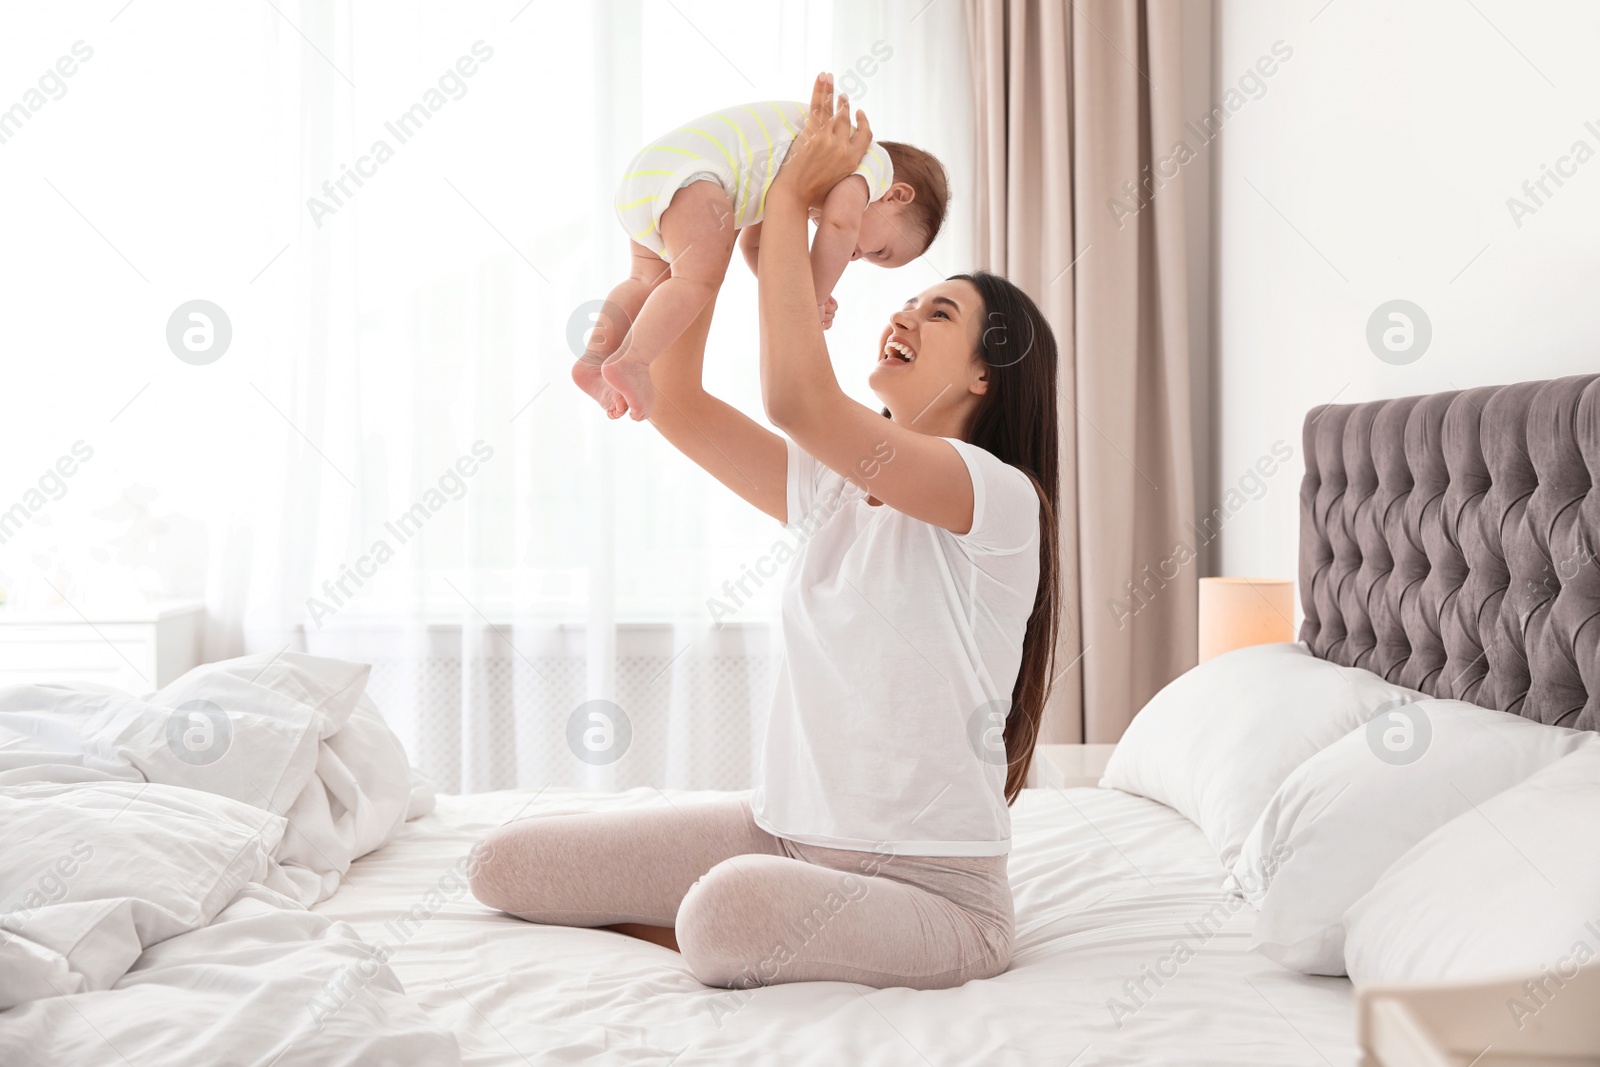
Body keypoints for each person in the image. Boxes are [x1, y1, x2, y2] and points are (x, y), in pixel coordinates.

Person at [474, 74, 1061, 992]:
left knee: (725, 912)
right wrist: (692, 256)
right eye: (911, 297)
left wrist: (788, 197)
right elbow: (678, 405)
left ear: (988, 378)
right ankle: (753, 911)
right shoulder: (834, 487)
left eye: (940, 312)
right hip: (782, 831)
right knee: (504, 866)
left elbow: (797, 397)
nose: (903, 309)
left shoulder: (993, 493)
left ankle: (740, 919)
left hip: (937, 893)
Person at [571, 97, 950, 421]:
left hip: (650, 176)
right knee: (696, 280)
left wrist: (802, 287)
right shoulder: (870, 165)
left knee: (644, 281)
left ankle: (594, 360)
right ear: (897, 196)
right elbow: (838, 226)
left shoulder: (800, 176)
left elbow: (753, 247)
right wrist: (812, 297)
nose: (855, 255)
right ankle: (633, 360)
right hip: (693, 176)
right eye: (878, 251)